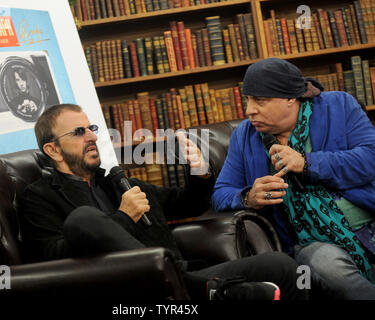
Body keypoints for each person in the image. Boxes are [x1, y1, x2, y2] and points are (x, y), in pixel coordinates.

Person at [19, 103, 307, 300]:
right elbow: (51, 258)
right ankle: (197, 287)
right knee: (83, 218)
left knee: (281, 266)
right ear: (53, 149)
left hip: (179, 277)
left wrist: (199, 173)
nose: (92, 136)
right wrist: (123, 217)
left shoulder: (117, 183)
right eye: (79, 132)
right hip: (121, 291)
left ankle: (195, 286)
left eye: (91, 128)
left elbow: (186, 205)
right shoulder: (40, 195)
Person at [212, 57, 375, 299]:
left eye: (260, 100)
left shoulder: (339, 106)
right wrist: (248, 196)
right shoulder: (243, 137)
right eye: (248, 100)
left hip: (368, 222)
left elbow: (370, 158)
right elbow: (221, 192)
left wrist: (307, 163)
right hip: (310, 245)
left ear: (291, 97)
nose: (249, 110)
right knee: (329, 267)